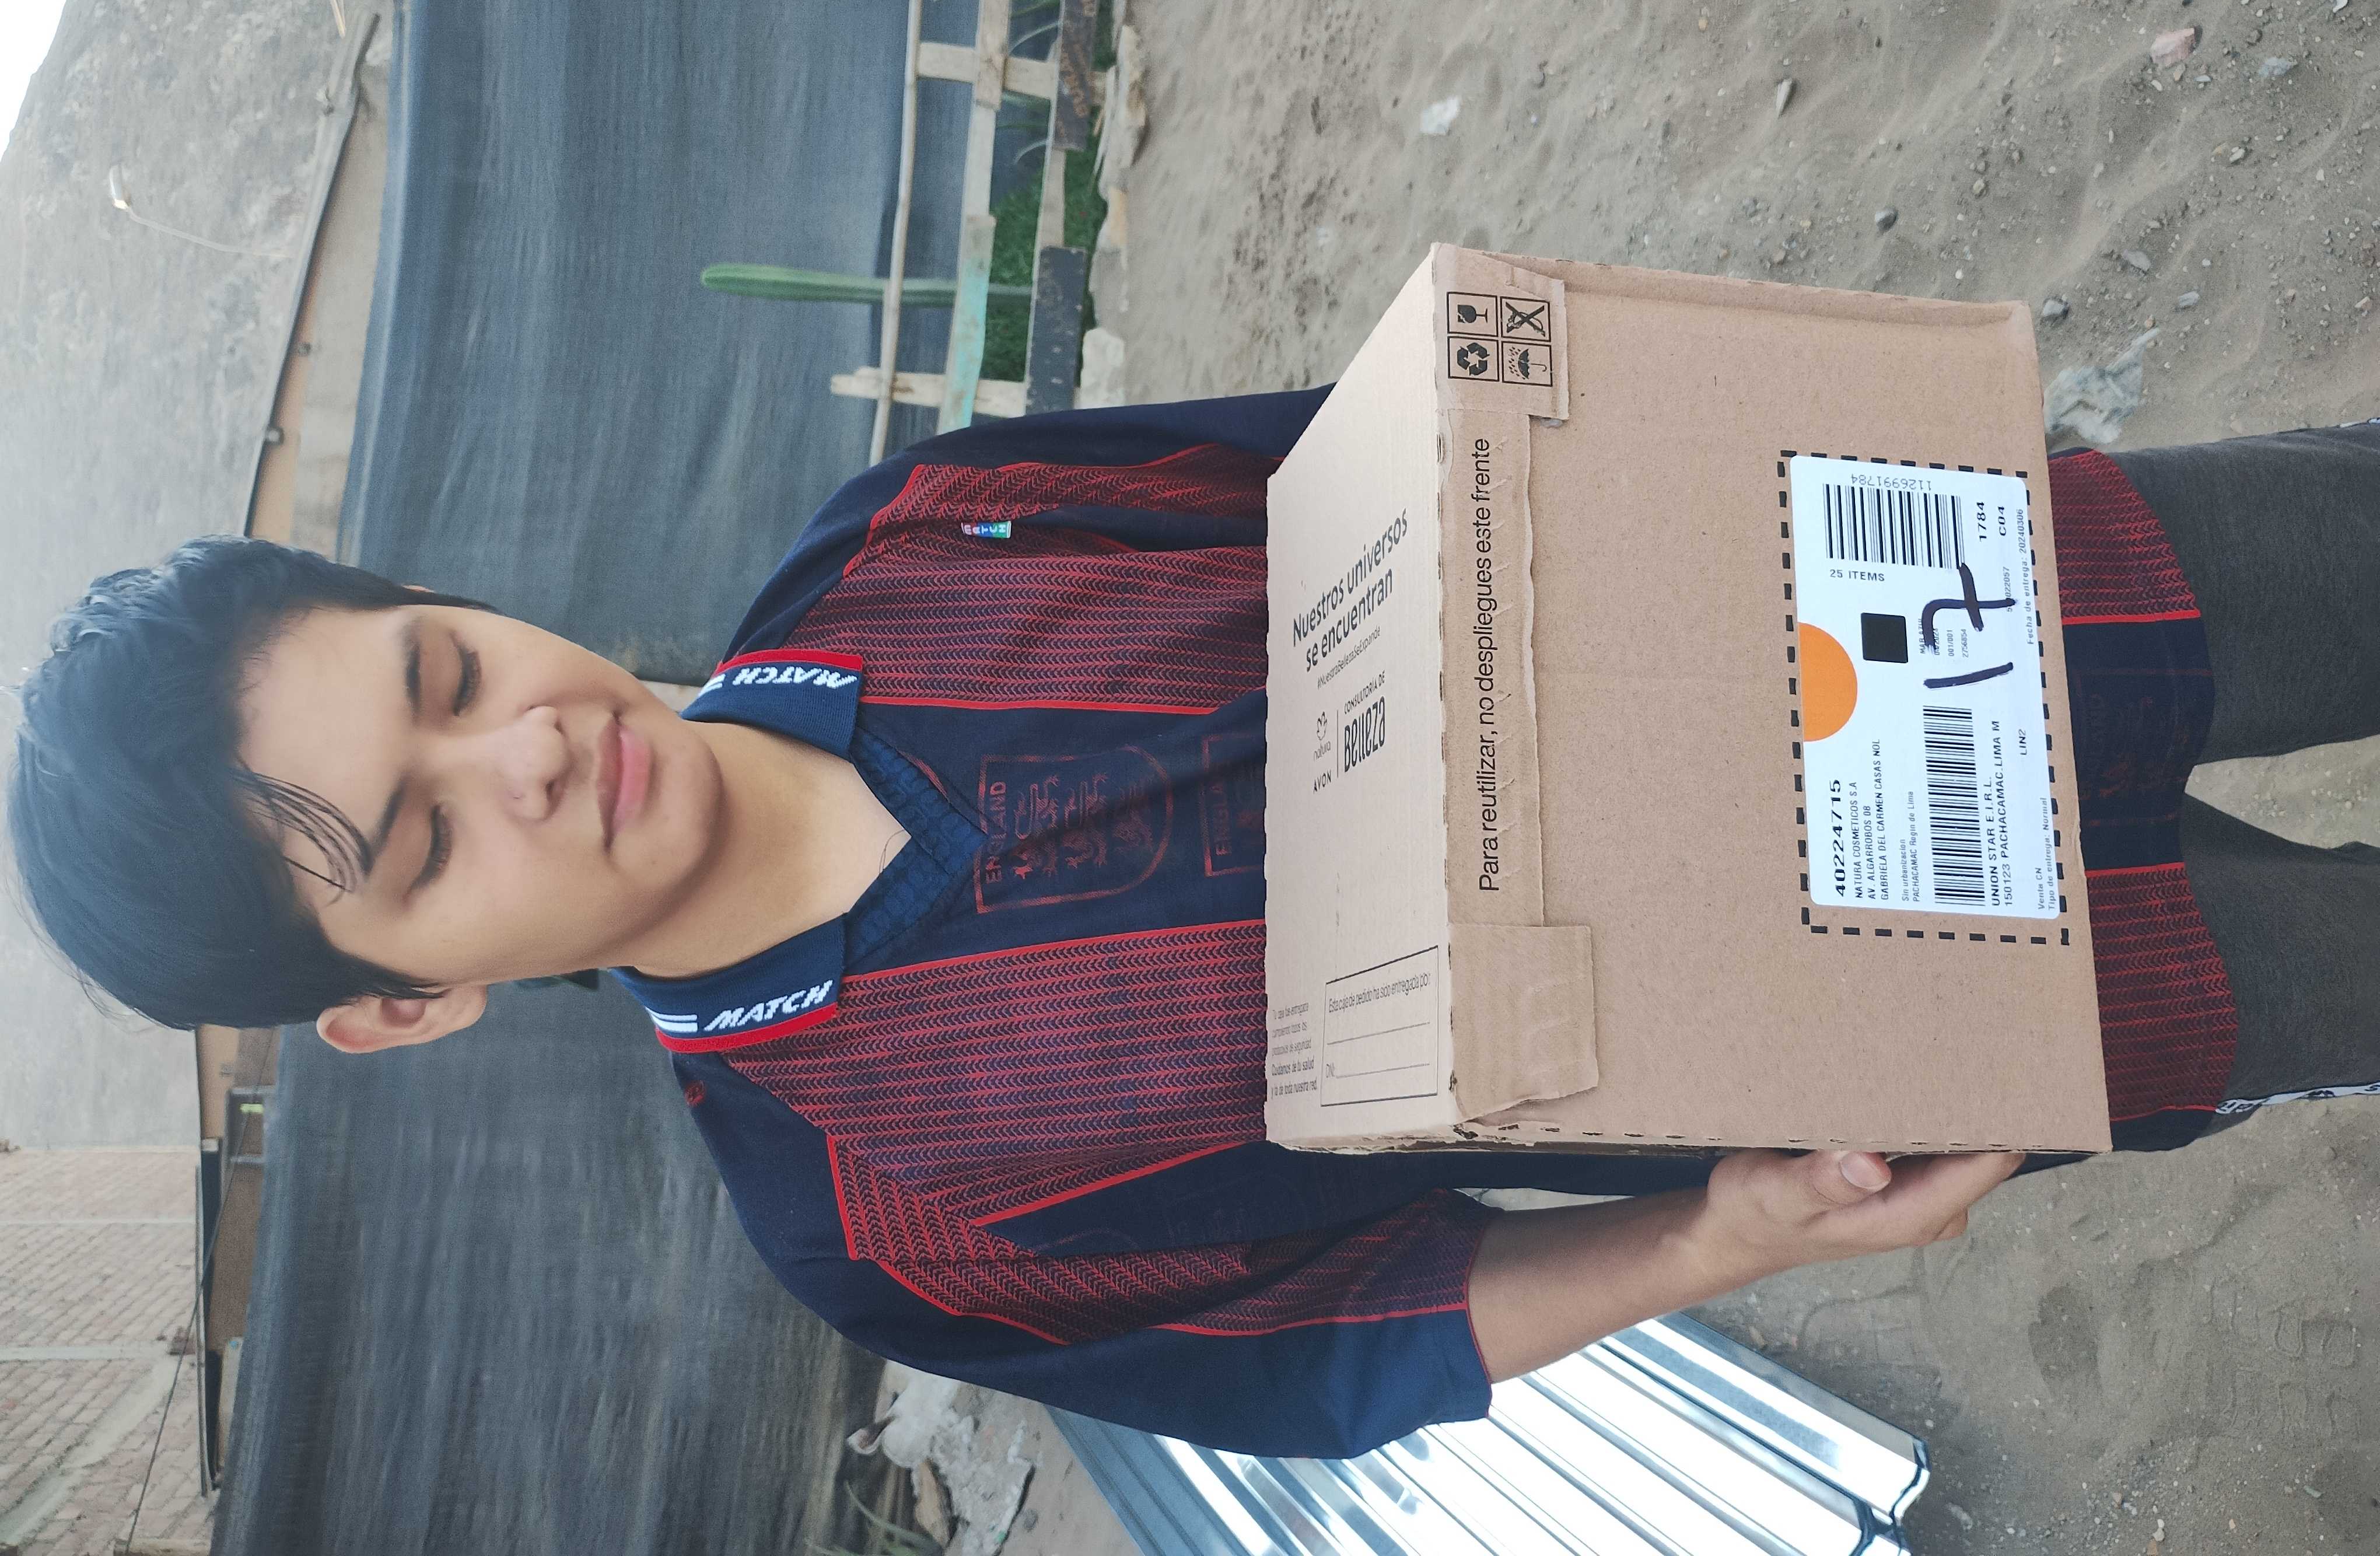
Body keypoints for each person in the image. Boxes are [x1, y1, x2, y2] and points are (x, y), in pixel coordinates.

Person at [10, 390, 2379, 1457]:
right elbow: (1330, 1349)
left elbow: (1416, 448)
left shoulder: (922, 529)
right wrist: (1719, 1234)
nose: (525, 749)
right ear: (409, 1005)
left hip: (1960, 596)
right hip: (1954, 1006)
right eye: (422, 847)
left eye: (441, 670)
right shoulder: (874, 1216)